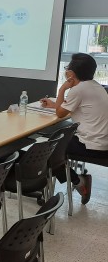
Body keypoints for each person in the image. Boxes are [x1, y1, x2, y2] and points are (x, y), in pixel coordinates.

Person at [41, 53, 108, 204]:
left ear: (71, 73)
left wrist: (62, 89)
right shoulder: (96, 86)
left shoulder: (78, 90)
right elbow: (67, 108)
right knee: (57, 143)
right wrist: (54, 105)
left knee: (49, 149)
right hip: (103, 142)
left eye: (67, 68)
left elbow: (60, 113)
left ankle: (79, 182)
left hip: (92, 145)